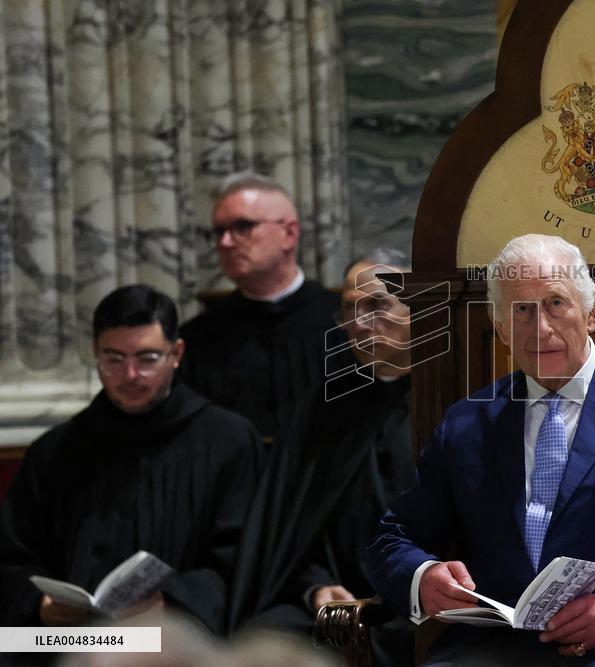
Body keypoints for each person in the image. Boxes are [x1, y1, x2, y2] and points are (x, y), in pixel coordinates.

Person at [366, 234, 595, 665]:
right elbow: (393, 538)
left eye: (556, 304)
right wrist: (422, 577)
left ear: (592, 312)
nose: (540, 328)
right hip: (494, 647)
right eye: (522, 310)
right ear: (500, 324)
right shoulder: (465, 424)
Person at [0, 285, 263, 636]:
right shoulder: (54, 451)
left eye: (147, 358)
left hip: (179, 637)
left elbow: (244, 557)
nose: (130, 376)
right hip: (65, 641)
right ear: (95, 353)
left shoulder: (228, 442)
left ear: (177, 353)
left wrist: (174, 601)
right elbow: (13, 557)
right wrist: (40, 605)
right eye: (114, 359)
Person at [228, 250, 417, 665]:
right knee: (261, 639)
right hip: (333, 598)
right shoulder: (322, 409)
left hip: (422, 603)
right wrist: (317, 586)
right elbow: (291, 529)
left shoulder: (454, 403)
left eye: (378, 306)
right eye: (351, 309)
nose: (361, 324)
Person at [179, 172, 344, 441]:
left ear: (289, 234)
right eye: (219, 231)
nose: (225, 243)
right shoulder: (201, 337)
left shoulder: (347, 324)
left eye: (242, 227)